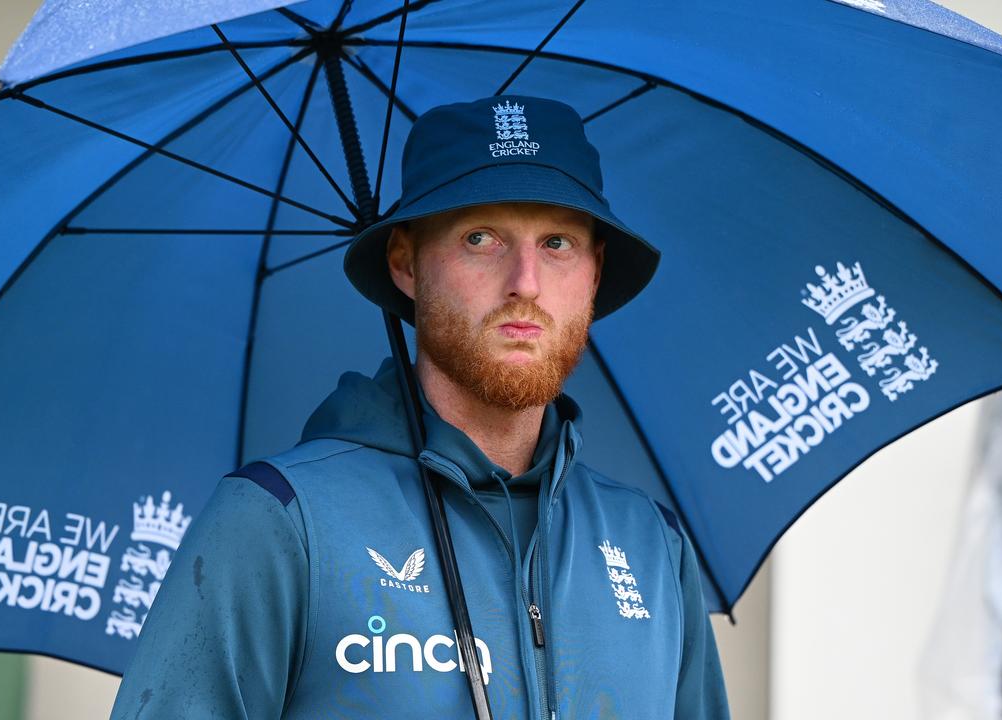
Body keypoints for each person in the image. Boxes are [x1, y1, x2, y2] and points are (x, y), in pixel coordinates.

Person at [109, 94, 730, 719]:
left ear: (595, 271)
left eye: (557, 242)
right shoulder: (279, 520)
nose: (525, 281)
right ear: (406, 264)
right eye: (481, 237)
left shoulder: (653, 546)